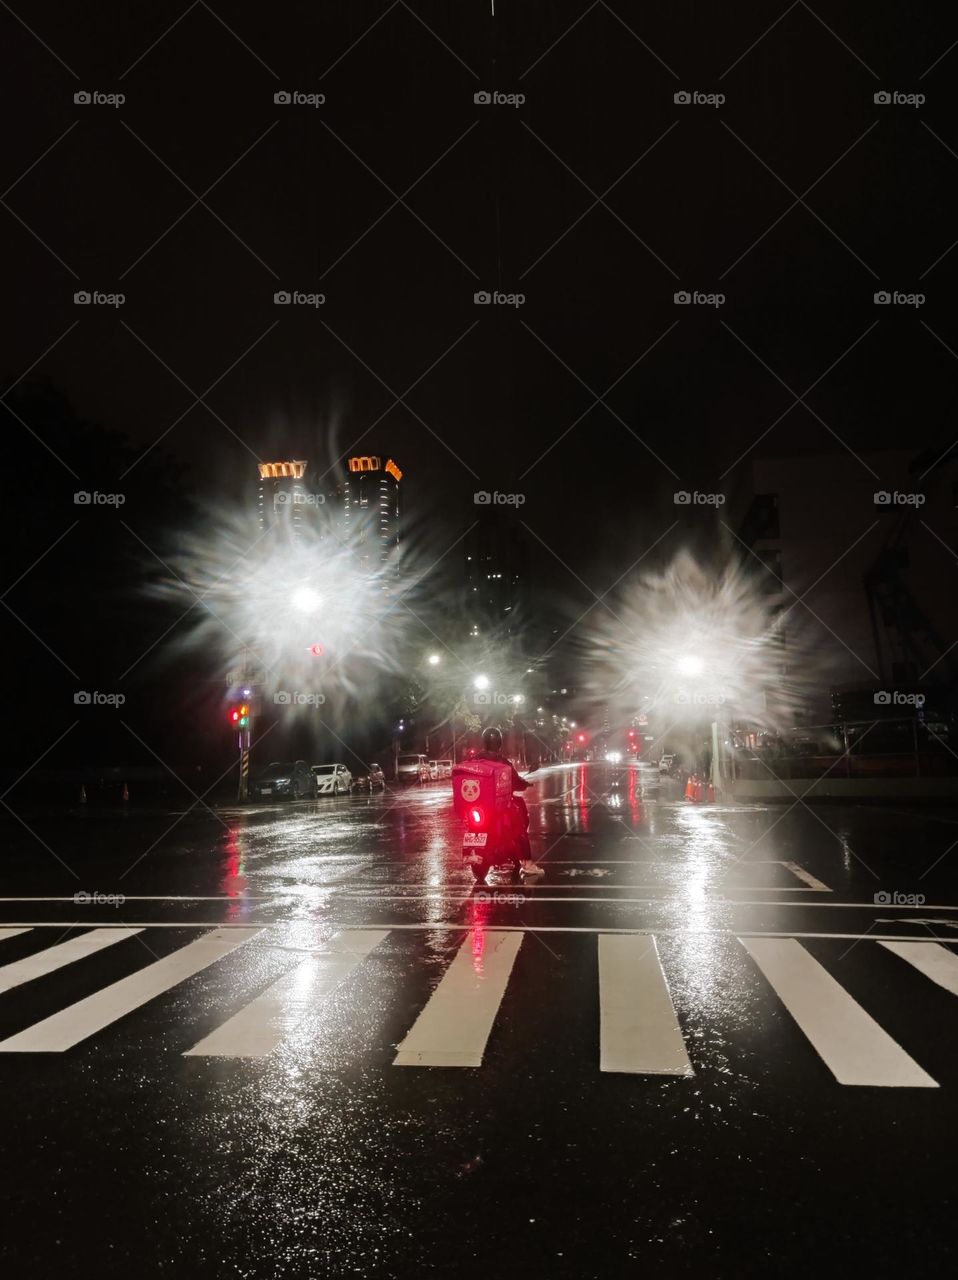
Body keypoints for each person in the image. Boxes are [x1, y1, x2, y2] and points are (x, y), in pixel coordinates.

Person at [475, 726, 543, 875]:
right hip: (500, 807)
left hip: (480, 805)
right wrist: (524, 784)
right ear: (499, 742)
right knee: (520, 830)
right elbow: (515, 780)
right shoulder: (502, 762)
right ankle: (528, 864)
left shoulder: (475, 761)